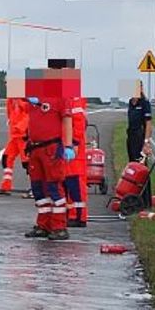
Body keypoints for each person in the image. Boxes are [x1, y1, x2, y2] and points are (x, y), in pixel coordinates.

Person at [23, 66, 76, 240]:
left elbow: (67, 121)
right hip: (35, 148)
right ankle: (43, 225)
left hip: (52, 148)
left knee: (54, 187)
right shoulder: (34, 96)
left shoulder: (62, 97)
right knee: (38, 189)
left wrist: (68, 146)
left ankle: (59, 226)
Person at [64, 95, 89, 227]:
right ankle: (72, 214)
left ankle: (79, 216)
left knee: (76, 184)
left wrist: (74, 143)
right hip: (69, 146)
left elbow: (79, 122)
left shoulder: (75, 98)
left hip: (75, 149)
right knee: (68, 183)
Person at [127, 83, 153, 202]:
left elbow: (148, 124)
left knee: (141, 169)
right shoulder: (130, 103)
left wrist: (146, 142)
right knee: (132, 167)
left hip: (140, 138)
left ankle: (145, 200)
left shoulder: (145, 103)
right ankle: (134, 197)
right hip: (131, 137)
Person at [0, 96, 29, 193]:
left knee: (28, 163)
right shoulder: (10, 99)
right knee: (6, 158)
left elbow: (31, 113)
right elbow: (9, 114)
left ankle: (35, 188)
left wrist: (22, 127)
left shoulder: (26, 97)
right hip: (14, 136)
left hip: (24, 135)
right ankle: (6, 185)